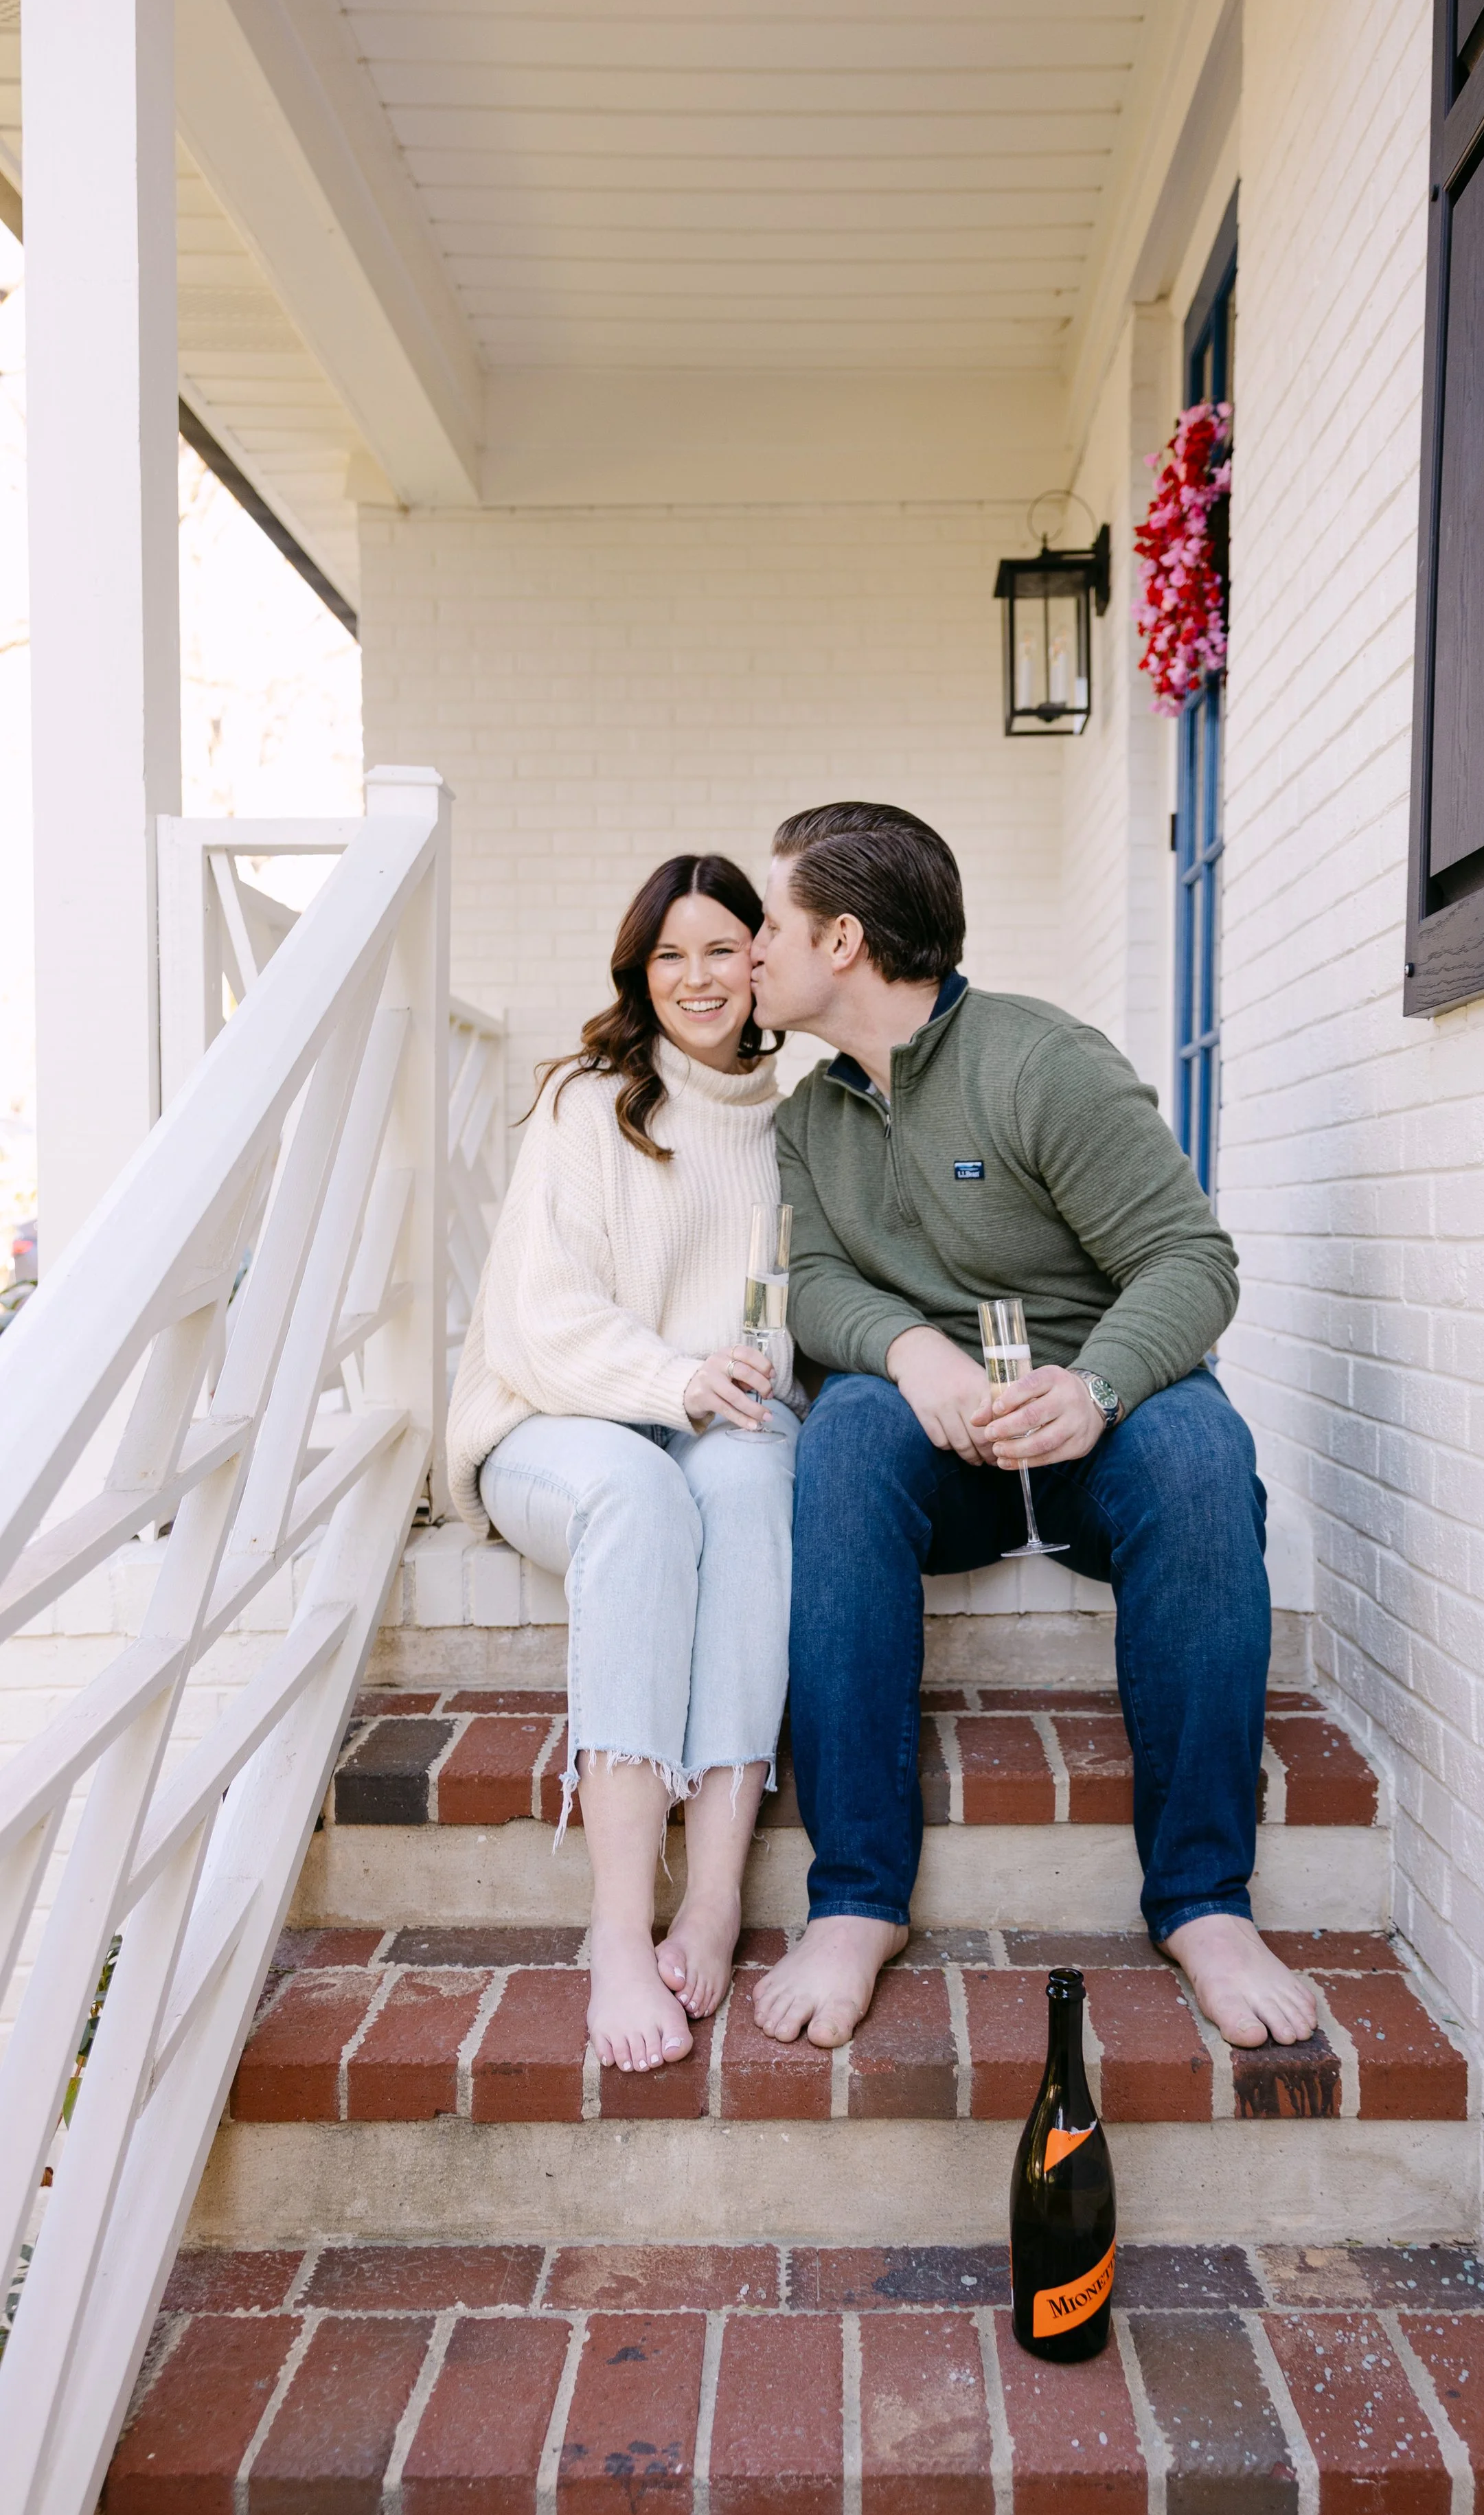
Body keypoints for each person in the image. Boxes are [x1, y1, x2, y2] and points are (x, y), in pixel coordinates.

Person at [746, 800, 1318, 2055]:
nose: (750, 953)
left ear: (843, 940)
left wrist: (1098, 1388)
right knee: (842, 1438)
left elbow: (1191, 1259)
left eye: (770, 925)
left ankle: (1205, 1899)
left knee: (1205, 1453)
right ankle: (855, 1899)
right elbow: (822, 1284)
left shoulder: (1040, 1062)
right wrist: (911, 1352)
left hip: (1096, 1435)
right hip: (937, 1448)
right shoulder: (808, 1119)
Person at [446, 855, 799, 2075]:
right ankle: (613, 1925)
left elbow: (787, 1323)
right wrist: (673, 1381)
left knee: (755, 1483)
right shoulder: (589, 1102)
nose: (696, 978)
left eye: (719, 949)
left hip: (706, 1422)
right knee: (642, 1496)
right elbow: (538, 1326)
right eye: (668, 955)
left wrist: (735, 1387)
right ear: (638, 974)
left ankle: (712, 1893)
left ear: (764, 959)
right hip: (550, 1424)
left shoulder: (794, 1122)